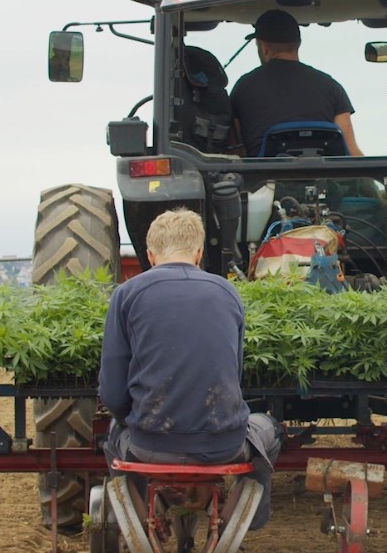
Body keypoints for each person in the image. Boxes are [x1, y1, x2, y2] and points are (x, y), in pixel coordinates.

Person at [98, 208, 280, 530]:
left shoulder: (126, 295)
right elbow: (231, 379)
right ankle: (245, 524)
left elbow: (112, 392)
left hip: (147, 447)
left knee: (114, 438)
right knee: (269, 429)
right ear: (198, 253)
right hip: (223, 446)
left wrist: (135, 420)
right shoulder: (228, 293)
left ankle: (136, 522)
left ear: (151, 255)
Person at [230, 9, 365, 157]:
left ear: (264, 47)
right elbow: (351, 152)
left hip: (262, 179)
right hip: (323, 178)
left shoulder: (243, 88)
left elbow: (236, 151)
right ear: (298, 44)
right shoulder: (331, 86)